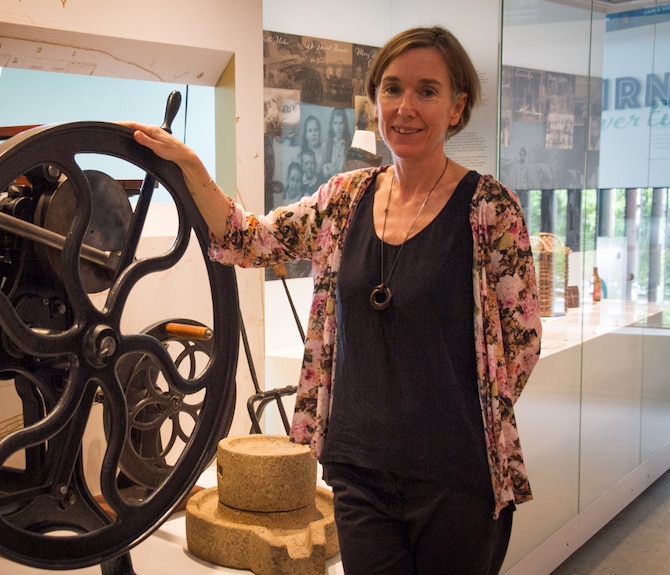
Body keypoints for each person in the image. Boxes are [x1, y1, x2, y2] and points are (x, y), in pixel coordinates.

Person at [122, 24, 542, 575]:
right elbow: (249, 240)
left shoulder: (489, 209)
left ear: (457, 107)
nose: (405, 107)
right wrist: (191, 167)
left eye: (427, 91)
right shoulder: (345, 200)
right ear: (375, 101)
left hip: (456, 476)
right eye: (392, 89)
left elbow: (521, 342)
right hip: (359, 469)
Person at [321, 107, 352, 179]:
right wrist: (325, 168)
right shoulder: (326, 145)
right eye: (335, 123)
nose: (338, 127)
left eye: (341, 123)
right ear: (332, 125)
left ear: (345, 125)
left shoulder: (350, 146)